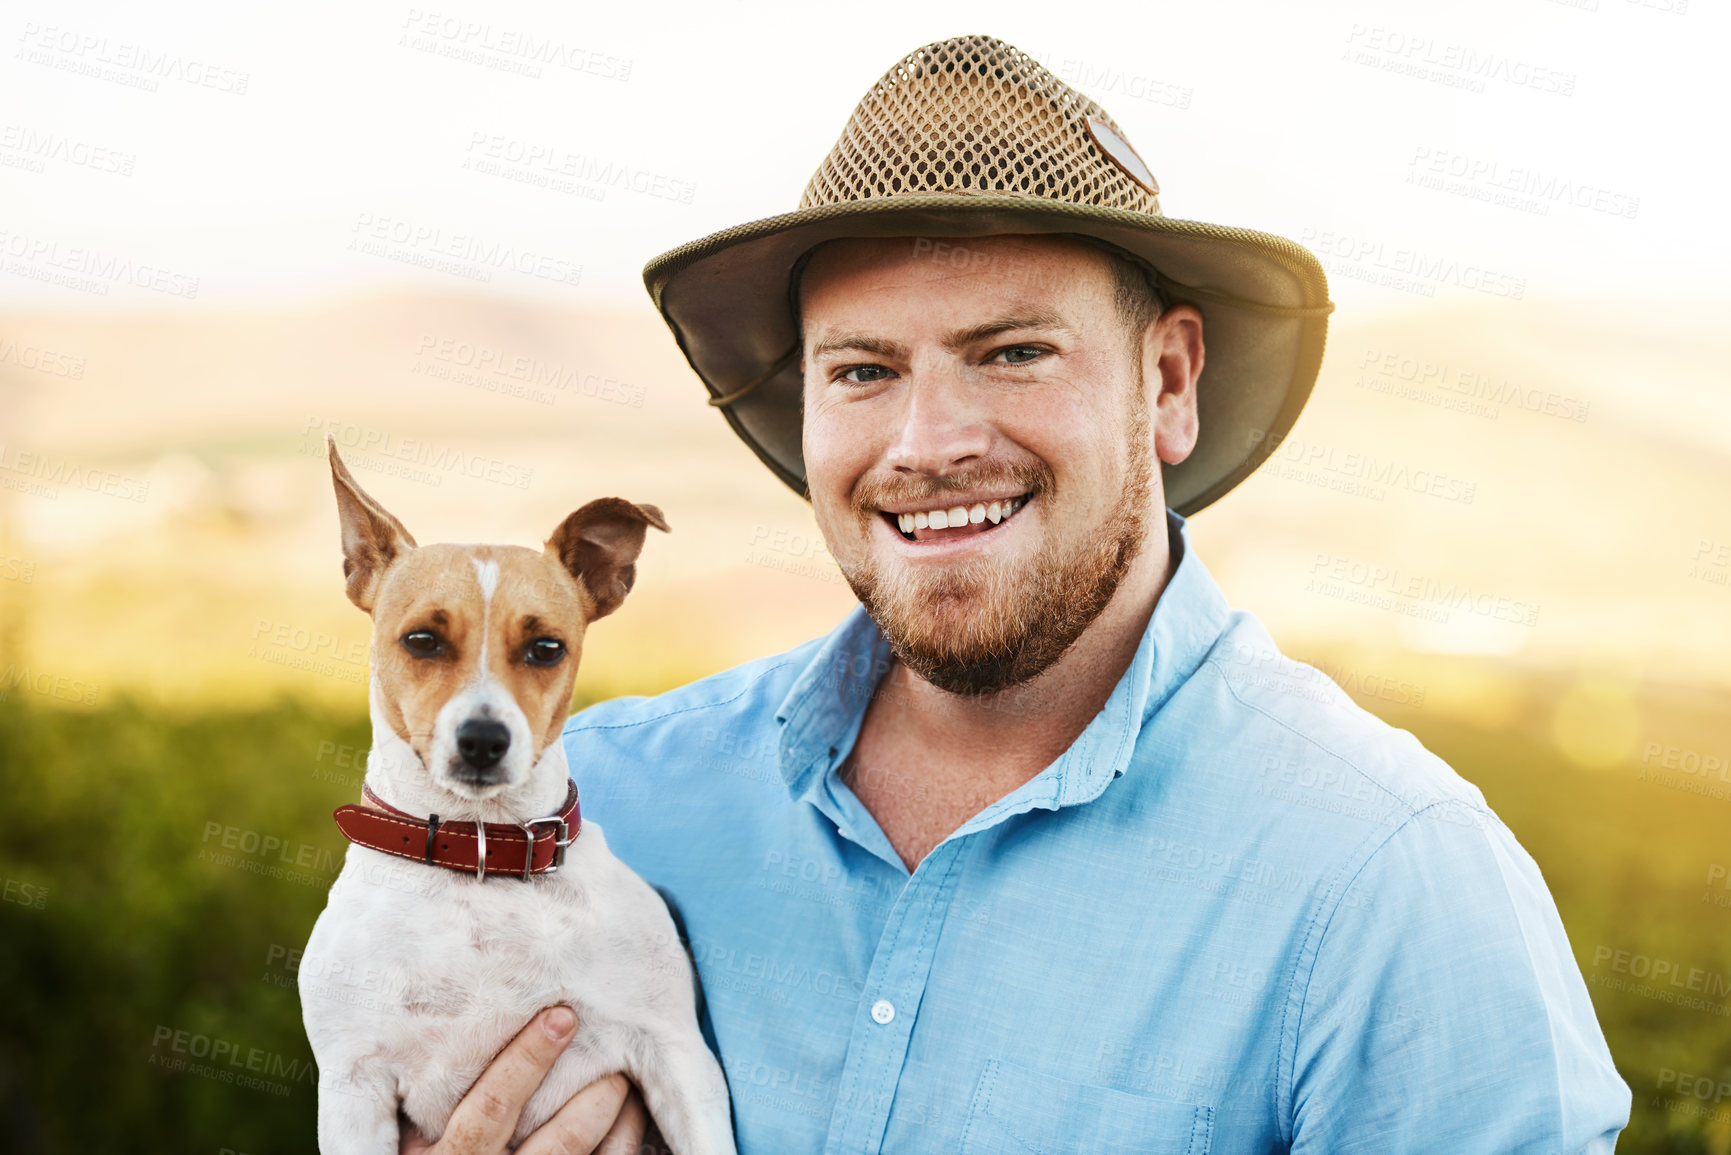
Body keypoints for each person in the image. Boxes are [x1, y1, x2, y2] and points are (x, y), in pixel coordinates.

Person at [409, 34, 1630, 1154]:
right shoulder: (600, 804)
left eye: (1012, 352)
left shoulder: (1391, 882)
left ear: (1166, 380)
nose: (928, 442)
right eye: (863, 370)